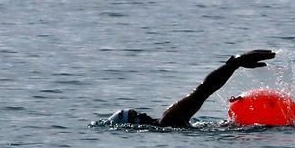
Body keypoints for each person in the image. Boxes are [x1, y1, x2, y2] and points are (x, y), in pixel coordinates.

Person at [107, 49, 276, 127]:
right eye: (135, 115)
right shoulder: (170, 119)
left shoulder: (167, 122)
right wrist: (234, 63)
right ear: (132, 125)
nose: (142, 113)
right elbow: (204, 89)